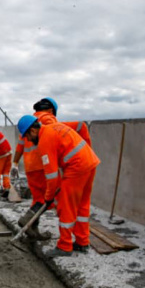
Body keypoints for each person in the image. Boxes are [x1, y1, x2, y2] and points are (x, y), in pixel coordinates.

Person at [17, 113, 100, 257]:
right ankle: (82, 241)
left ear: (32, 130)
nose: (28, 140)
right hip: (90, 163)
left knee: (65, 206)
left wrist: (48, 197)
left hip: (77, 168)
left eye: (28, 137)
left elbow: (52, 176)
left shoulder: (44, 140)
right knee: (82, 204)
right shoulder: (55, 127)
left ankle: (65, 246)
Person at [13, 98, 92, 238]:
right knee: (60, 201)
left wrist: (15, 163)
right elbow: (80, 126)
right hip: (44, 165)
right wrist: (86, 149)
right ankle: (67, 237)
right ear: (51, 110)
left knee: (39, 199)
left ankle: (30, 224)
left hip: (29, 165)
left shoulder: (27, 122)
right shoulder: (49, 121)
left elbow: (20, 145)